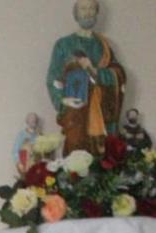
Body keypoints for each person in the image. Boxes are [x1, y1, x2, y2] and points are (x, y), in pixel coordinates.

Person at [46, 0, 125, 156]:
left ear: (97, 13)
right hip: (75, 115)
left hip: (101, 112)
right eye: (83, 8)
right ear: (76, 13)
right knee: (76, 157)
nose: (88, 12)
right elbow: (53, 78)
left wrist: (95, 71)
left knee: (102, 158)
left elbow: (118, 75)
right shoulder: (63, 44)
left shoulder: (104, 46)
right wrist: (63, 100)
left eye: (91, 8)